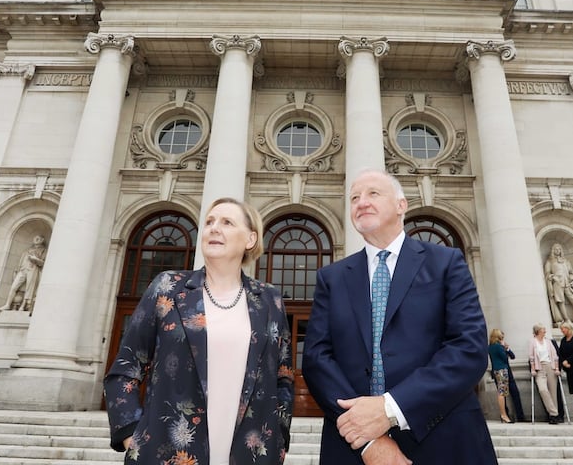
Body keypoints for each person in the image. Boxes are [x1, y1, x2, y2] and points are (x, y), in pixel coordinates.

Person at [303, 169, 496, 464]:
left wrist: (390, 409)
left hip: (445, 439)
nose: (361, 202)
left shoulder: (446, 263)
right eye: (354, 197)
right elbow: (317, 359)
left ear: (401, 205)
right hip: (354, 448)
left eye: (373, 194)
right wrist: (367, 439)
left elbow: (468, 349)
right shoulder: (332, 278)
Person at [104, 198, 294, 465]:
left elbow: (283, 379)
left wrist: (279, 440)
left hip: (250, 454)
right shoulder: (168, 287)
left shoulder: (270, 300)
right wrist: (131, 438)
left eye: (227, 222)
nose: (214, 228)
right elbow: (125, 367)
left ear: (250, 239)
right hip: (169, 453)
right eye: (209, 222)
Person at [0, 235, 46, 312]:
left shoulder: (44, 250)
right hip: (23, 270)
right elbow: (21, 261)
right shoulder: (27, 250)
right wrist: (18, 269)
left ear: (42, 240)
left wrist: (35, 259)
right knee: (14, 287)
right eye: (35, 237)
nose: (36, 239)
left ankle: (23, 307)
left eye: (38, 238)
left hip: (33, 270)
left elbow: (43, 263)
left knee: (29, 289)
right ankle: (8, 304)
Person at [544, 243, 573, 325]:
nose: (558, 251)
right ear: (553, 251)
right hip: (557, 283)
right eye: (556, 249)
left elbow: (570, 273)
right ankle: (566, 319)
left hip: (567, 282)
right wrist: (553, 277)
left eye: (559, 249)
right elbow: (547, 274)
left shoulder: (566, 261)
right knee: (561, 301)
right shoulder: (549, 261)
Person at [528, 323, 561, 424]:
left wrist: (557, 368)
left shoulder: (548, 342)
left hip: (550, 367)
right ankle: (554, 412)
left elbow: (555, 356)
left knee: (553, 392)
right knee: (543, 390)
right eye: (543, 329)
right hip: (539, 368)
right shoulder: (533, 342)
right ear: (538, 331)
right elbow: (531, 357)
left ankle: (553, 417)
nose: (545, 331)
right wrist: (533, 369)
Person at [488, 329, 513, 423]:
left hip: (495, 370)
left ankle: (504, 414)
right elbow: (505, 358)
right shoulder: (498, 346)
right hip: (502, 370)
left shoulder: (490, 346)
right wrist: (504, 348)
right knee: (502, 393)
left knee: (501, 392)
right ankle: (503, 414)